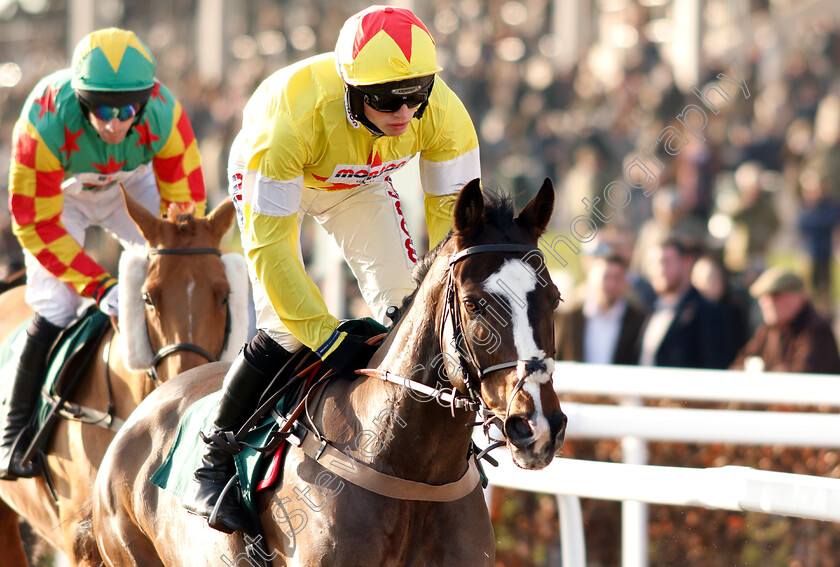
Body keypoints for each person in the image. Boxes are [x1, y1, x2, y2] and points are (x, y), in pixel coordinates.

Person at [182, 5, 481, 533]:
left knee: (409, 315)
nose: (406, 112)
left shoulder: (447, 117)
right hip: (279, 174)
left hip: (358, 184)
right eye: (389, 99)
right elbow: (272, 254)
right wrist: (323, 336)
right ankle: (213, 461)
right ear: (351, 88)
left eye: (418, 94)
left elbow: (453, 232)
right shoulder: (287, 122)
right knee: (286, 329)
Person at [3, 28, 206, 480]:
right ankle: (13, 432)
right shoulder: (42, 120)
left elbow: (183, 221)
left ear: (146, 102)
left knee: (181, 279)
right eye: (100, 109)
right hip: (61, 199)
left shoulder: (167, 115)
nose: (114, 123)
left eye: (127, 110)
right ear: (80, 99)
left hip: (127, 186)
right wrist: (101, 287)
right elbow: (36, 224)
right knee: (57, 304)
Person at [638, 239, 728, 369]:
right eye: (653, 263)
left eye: (666, 262)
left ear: (687, 262)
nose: (659, 269)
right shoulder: (649, 309)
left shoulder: (707, 312)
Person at [730, 267, 840, 374]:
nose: (766, 302)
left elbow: (803, 376)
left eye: (775, 295)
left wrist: (762, 372)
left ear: (798, 296)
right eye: (763, 297)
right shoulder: (768, 329)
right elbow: (740, 362)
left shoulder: (816, 330)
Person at [555, 254, 647, 365]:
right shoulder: (571, 317)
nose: (611, 285)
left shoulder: (639, 320)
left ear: (625, 282)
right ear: (592, 278)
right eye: (605, 277)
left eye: (617, 278)